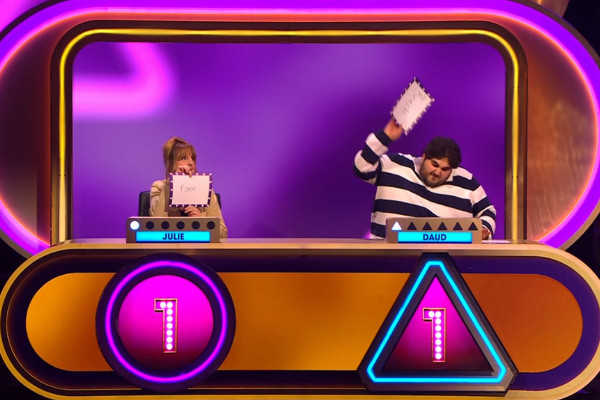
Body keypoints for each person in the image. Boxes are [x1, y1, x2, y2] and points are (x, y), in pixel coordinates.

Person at [354, 118, 496, 239]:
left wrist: (484, 231)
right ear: (424, 157)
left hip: (449, 257)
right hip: (387, 257)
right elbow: (362, 168)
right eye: (434, 164)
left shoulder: (466, 181)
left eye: (445, 169)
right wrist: (385, 136)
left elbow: (487, 211)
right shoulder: (394, 165)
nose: (437, 172)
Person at [150, 137, 228, 238]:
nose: (191, 163)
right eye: (184, 158)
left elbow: (223, 233)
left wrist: (202, 222)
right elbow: (155, 228)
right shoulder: (159, 187)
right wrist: (172, 181)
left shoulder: (205, 189)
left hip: (199, 246)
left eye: (193, 158)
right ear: (171, 163)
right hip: (169, 246)